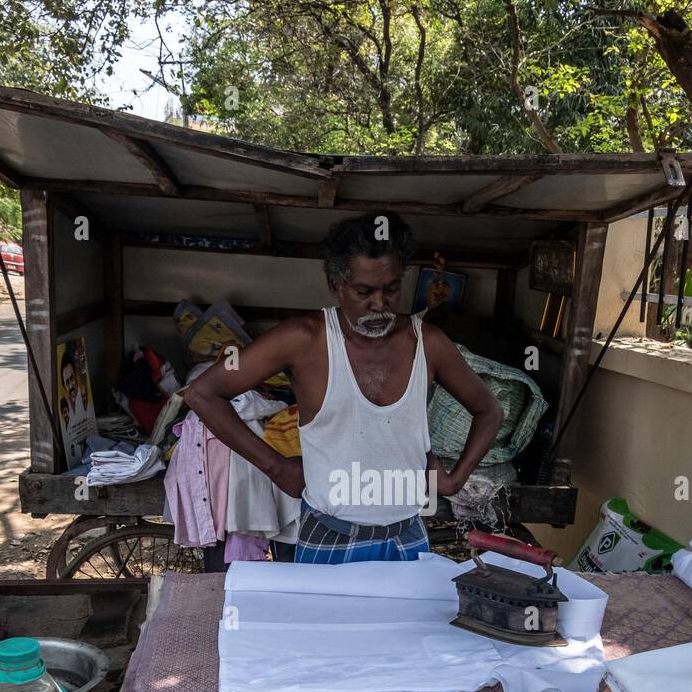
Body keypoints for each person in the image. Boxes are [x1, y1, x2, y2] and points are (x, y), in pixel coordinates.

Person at [185, 212, 503, 563]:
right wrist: (276, 467)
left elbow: (489, 409)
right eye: (364, 291)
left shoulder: (427, 341)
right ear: (336, 285)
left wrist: (456, 479)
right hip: (329, 535)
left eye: (391, 289)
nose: (379, 304)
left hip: (407, 536)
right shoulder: (303, 340)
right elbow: (203, 393)